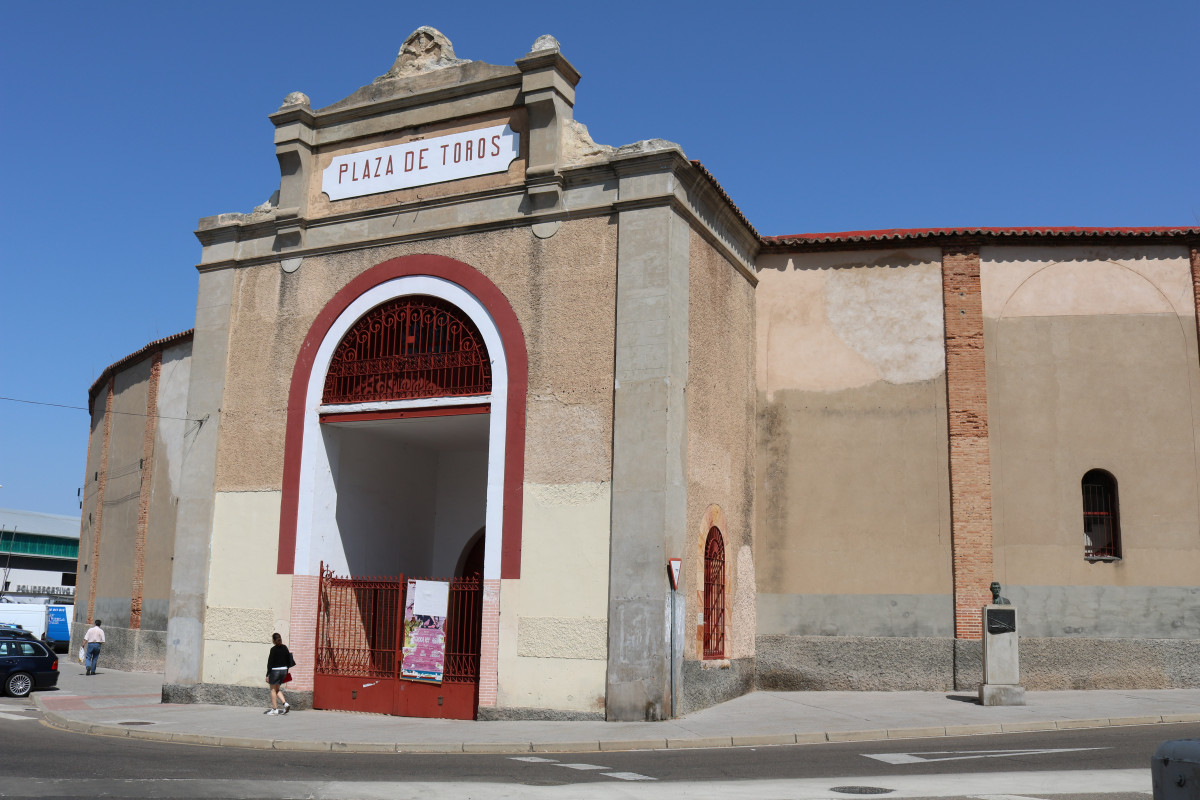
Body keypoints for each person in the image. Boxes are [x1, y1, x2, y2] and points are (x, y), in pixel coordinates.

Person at [264, 632, 294, 715]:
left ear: (273, 640)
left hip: (275, 671)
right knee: (277, 689)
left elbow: (270, 663)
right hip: (284, 671)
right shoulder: (285, 648)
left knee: (273, 690)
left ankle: (274, 709)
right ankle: (285, 704)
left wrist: (267, 675)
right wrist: (286, 671)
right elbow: (289, 660)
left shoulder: (273, 649)